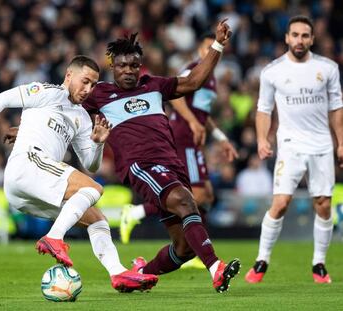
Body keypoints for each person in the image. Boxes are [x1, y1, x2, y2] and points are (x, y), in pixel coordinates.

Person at [0, 55, 158, 292]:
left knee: (96, 218)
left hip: (28, 191)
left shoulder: (81, 117)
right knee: (94, 189)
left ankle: (118, 273)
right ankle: (54, 238)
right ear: (69, 75)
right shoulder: (47, 92)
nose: (88, 89)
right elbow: (1, 99)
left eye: (93, 84)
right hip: (28, 163)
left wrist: (99, 143)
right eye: (85, 81)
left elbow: (91, 165)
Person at [83, 20, 241, 293]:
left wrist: (217, 45)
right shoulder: (99, 94)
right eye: (122, 66)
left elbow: (193, 81)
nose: (129, 71)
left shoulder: (153, 84)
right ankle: (216, 268)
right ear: (112, 67)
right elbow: (65, 104)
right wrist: (28, 130)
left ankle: (140, 274)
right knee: (185, 201)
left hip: (171, 163)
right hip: (140, 165)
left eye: (134, 65)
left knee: (184, 248)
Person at [119, 33, 239, 271]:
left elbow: (204, 116)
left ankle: (191, 248)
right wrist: (193, 122)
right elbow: (178, 99)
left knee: (206, 196)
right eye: (206, 47)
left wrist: (221, 138)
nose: (209, 52)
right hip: (182, 137)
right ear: (200, 49)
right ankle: (139, 212)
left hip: (194, 140)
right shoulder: (193, 69)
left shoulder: (212, 80)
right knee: (198, 195)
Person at [244, 15, 343, 284]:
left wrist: (341, 142)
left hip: (321, 144)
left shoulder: (328, 68)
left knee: (323, 206)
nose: (300, 40)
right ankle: (261, 260)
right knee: (280, 203)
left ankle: (319, 265)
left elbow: (336, 108)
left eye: (305, 35)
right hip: (290, 145)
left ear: (312, 39)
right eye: (295, 35)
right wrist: (263, 139)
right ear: (287, 38)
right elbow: (263, 109)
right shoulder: (272, 71)